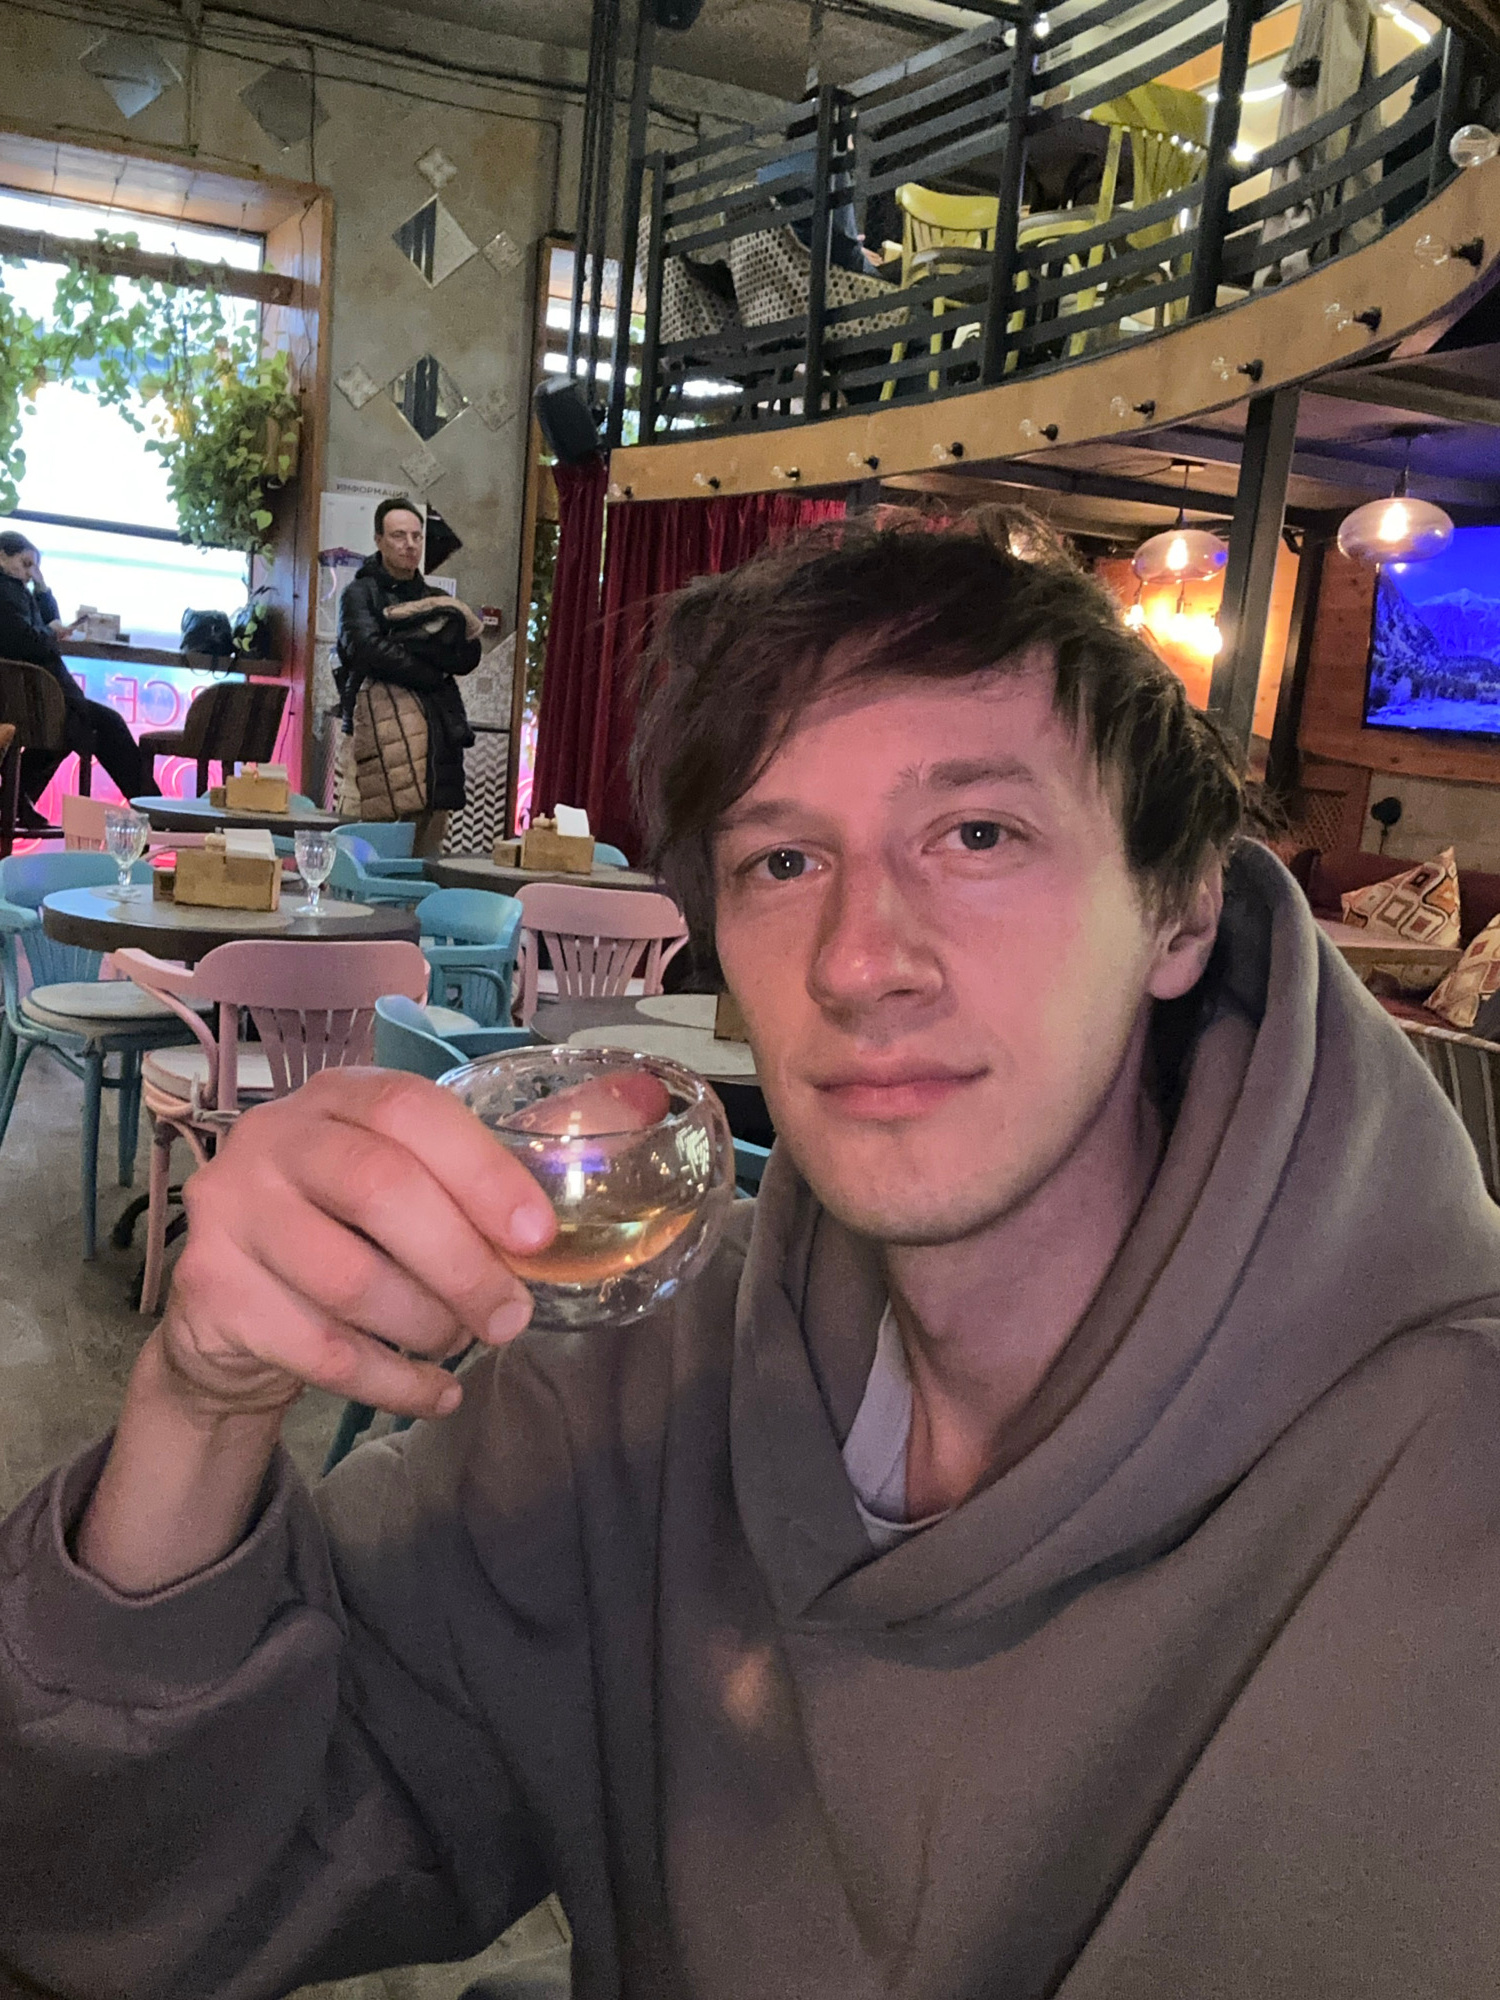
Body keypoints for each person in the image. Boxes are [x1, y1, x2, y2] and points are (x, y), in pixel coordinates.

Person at [6, 515, 1500, 2000]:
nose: (858, 959)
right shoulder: (643, 1374)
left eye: (979, 835)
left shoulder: (1447, 1490)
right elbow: (141, 1890)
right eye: (784, 859)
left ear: (1180, 909)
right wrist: (202, 1403)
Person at [335, 496, 482, 857]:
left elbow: (466, 655)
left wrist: (410, 647)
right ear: (379, 540)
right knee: (360, 852)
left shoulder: (437, 599)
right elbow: (366, 651)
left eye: (416, 536)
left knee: (424, 857)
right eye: (398, 536)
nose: (410, 544)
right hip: (370, 735)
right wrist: (431, 672)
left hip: (432, 738)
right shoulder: (360, 594)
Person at [0, 530, 149, 824]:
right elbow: (26, 639)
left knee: (79, 727)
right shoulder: (6, 591)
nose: (31, 573)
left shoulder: (14, 590)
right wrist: (51, 635)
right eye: (26, 564)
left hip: (34, 700)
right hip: (35, 702)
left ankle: (15, 797)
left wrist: (42, 587)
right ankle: (152, 809)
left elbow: (46, 624)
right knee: (101, 726)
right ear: (2, 556)